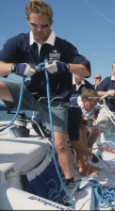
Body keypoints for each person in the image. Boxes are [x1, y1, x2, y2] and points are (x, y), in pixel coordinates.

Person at [0, 0, 91, 203]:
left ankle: (69, 182)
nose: (40, 29)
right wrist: (16, 68)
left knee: (60, 144)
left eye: (44, 25)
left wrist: (65, 66)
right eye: (35, 25)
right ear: (27, 21)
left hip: (56, 100)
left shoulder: (64, 46)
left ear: (51, 23)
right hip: (30, 95)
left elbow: (86, 69)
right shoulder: (18, 42)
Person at [68, 88, 101, 176]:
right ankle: (83, 168)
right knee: (78, 137)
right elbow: (73, 141)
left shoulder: (78, 101)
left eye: (95, 106)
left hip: (67, 120)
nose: (93, 108)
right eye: (92, 105)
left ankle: (84, 163)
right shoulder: (74, 109)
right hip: (43, 125)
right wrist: (90, 154)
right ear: (85, 100)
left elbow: (83, 125)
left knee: (83, 129)